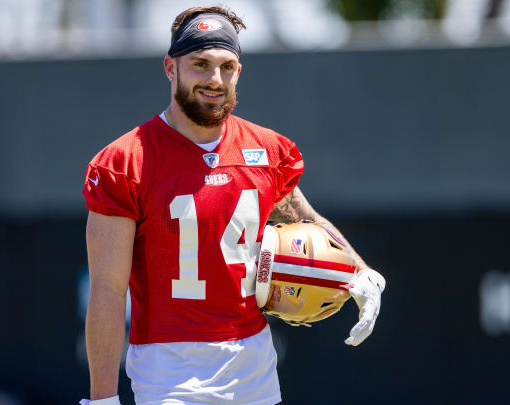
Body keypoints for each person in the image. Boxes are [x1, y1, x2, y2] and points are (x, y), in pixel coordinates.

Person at [80, 6, 386, 405]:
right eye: (200, 64)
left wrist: (361, 273)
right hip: (169, 370)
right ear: (170, 68)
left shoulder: (264, 149)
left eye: (226, 66)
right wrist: (101, 399)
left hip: (253, 367)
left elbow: (306, 218)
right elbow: (107, 288)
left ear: (239, 70)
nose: (214, 79)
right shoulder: (126, 161)